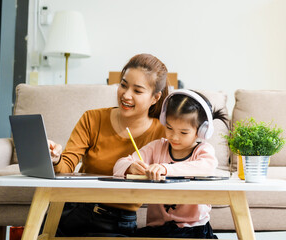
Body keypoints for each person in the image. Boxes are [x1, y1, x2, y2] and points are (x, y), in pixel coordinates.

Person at [46, 53, 169, 237]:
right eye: (123, 85)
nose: (126, 95)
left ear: (155, 98)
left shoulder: (162, 134)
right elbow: (66, 168)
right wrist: (55, 159)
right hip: (73, 211)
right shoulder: (92, 119)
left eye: (137, 91)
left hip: (118, 222)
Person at [113, 89, 228, 239]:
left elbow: (206, 167)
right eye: (169, 128)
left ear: (201, 131)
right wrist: (130, 167)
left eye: (184, 132)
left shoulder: (202, 151)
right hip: (158, 229)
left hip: (194, 229)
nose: (174, 137)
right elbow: (118, 166)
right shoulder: (156, 147)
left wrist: (165, 168)